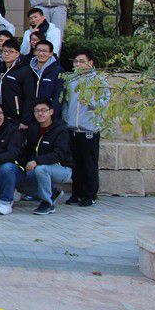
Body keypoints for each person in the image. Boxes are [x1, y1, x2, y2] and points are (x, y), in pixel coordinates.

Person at [63, 49, 109, 206]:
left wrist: (90, 102)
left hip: (89, 130)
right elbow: (66, 102)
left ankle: (90, 195)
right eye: (76, 62)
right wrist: (66, 118)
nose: (78, 64)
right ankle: (76, 194)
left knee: (89, 164)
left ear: (90, 63)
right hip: (73, 129)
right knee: (75, 164)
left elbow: (104, 103)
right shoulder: (70, 80)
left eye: (81, 61)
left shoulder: (99, 81)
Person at [19, 100, 73, 215]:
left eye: (44, 110)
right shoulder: (34, 128)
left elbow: (59, 154)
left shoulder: (60, 130)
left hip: (62, 169)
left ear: (51, 112)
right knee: (19, 180)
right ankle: (52, 193)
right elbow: (26, 150)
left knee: (41, 169)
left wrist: (37, 161)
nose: (40, 113)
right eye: (37, 111)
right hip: (39, 166)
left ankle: (47, 203)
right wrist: (22, 165)